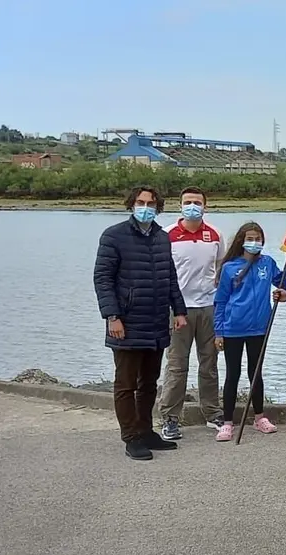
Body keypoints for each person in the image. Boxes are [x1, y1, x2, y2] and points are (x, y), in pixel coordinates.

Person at [94, 186, 188, 460]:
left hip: (157, 321)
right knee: (126, 384)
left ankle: (147, 431)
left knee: (149, 382)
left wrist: (179, 311)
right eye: (140, 202)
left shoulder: (161, 237)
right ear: (131, 204)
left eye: (151, 203)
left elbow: (170, 276)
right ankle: (131, 437)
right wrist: (113, 316)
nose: (145, 206)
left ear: (158, 207)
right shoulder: (114, 236)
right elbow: (103, 279)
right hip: (126, 322)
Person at [213, 222, 286, 442]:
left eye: (258, 238)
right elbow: (220, 302)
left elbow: (283, 282)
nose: (255, 242)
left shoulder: (267, 263)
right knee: (233, 373)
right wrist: (218, 331)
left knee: (255, 372)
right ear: (241, 240)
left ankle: (259, 417)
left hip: (259, 328)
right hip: (233, 329)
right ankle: (228, 422)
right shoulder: (230, 267)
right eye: (250, 238)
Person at [158, 186, 226, 440]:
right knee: (177, 365)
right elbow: (163, 273)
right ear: (180, 205)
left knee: (209, 364)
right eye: (188, 201)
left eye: (197, 201)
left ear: (205, 205)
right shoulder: (167, 235)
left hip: (208, 306)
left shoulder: (216, 234)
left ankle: (212, 412)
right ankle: (170, 418)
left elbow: (220, 269)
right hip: (178, 310)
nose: (192, 205)